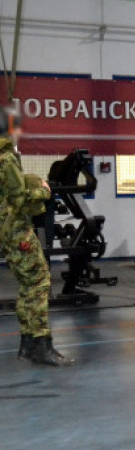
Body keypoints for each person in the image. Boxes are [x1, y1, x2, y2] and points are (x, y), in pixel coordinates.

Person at [0, 108, 73, 367]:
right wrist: (43, 192)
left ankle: (28, 344)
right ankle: (42, 346)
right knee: (40, 283)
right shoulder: (5, 157)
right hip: (17, 228)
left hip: (6, 230)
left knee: (27, 285)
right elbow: (19, 199)